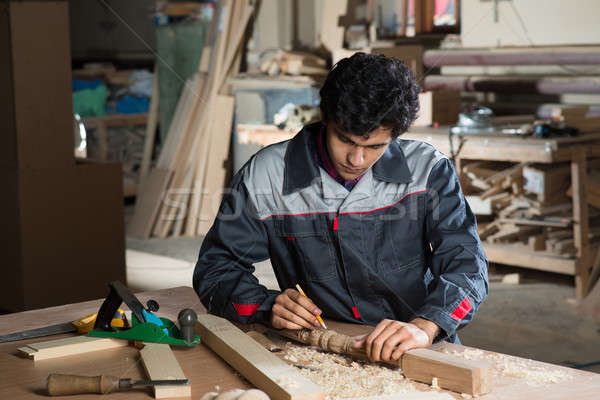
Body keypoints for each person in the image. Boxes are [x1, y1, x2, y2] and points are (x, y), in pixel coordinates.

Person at [193, 52, 488, 363]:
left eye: (375, 146)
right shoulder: (266, 175)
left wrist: (426, 326)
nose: (356, 160)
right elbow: (215, 271)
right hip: (324, 352)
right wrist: (265, 306)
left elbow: (468, 266)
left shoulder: (428, 170)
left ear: (395, 135)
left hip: (419, 346)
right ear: (324, 115)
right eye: (345, 140)